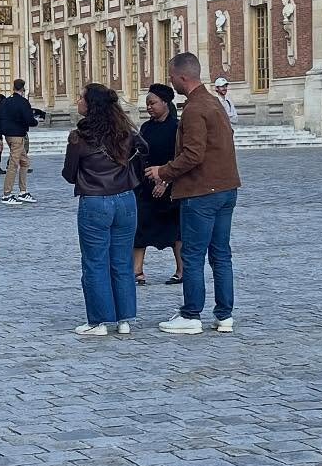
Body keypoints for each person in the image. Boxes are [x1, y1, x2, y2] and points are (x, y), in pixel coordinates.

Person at [144, 53, 241, 335]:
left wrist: (163, 172)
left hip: (202, 192)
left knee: (193, 254)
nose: (171, 82)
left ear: (182, 77)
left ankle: (191, 314)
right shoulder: (214, 103)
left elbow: (193, 154)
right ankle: (224, 315)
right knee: (221, 254)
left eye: (172, 77)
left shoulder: (194, 109)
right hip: (226, 188)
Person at [63, 83, 145, 337]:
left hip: (95, 200)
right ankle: (124, 319)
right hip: (125, 199)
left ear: (91, 105)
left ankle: (99, 321)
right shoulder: (125, 132)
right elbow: (144, 151)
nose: (78, 101)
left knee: (95, 262)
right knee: (122, 261)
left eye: (81, 98)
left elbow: (69, 174)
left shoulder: (79, 137)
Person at [133, 84, 183, 286]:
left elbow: (180, 157)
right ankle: (137, 271)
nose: (149, 107)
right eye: (147, 104)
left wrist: (164, 180)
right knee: (140, 227)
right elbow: (140, 156)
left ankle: (181, 270)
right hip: (146, 187)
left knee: (176, 230)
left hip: (172, 187)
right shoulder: (146, 128)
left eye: (152, 103)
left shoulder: (177, 128)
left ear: (165, 102)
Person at [0, 79, 38, 206]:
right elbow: (29, 119)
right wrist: (36, 121)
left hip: (8, 135)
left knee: (25, 162)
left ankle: (23, 192)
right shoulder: (23, 102)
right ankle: (7, 194)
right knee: (14, 164)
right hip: (17, 136)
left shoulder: (6, 101)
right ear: (23, 89)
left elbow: (0, 118)